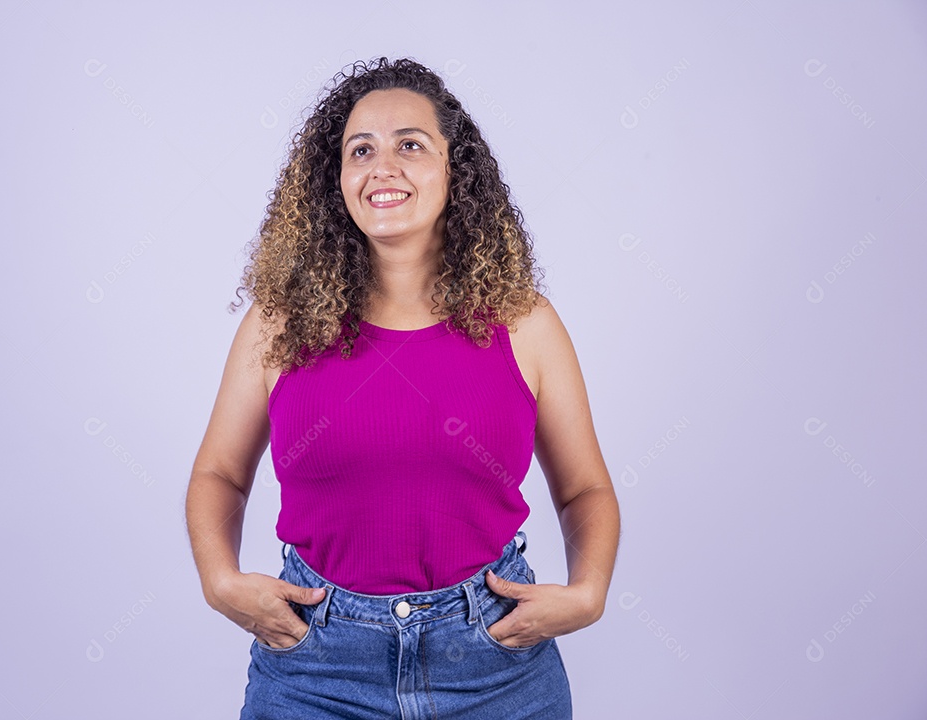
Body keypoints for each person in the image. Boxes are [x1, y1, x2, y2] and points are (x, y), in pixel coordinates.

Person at [185, 56, 621, 719]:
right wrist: (219, 581)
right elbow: (219, 473)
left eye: (409, 145)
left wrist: (589, 591)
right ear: (337, 181)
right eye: (361, 150)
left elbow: (585, 488)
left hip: (494, 662)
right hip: (316, 665)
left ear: (456, 172)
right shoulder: (277, 323)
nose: (382, 166)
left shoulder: (524, 321)